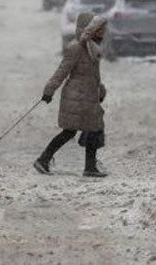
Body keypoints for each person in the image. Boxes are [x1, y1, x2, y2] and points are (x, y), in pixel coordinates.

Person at [34, 13, 108, 178]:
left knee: (93, 129)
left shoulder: (92, 48)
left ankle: (89, 167)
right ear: (89, 29)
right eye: (99, 28)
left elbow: (93, 75)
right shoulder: (76, 47)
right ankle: (44, 159)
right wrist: (49, 90)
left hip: (89, 97)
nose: (102, 31)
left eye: (103, 28)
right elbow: (62, 71)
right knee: (71, 131)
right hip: (76, 97)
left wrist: (100, 90)